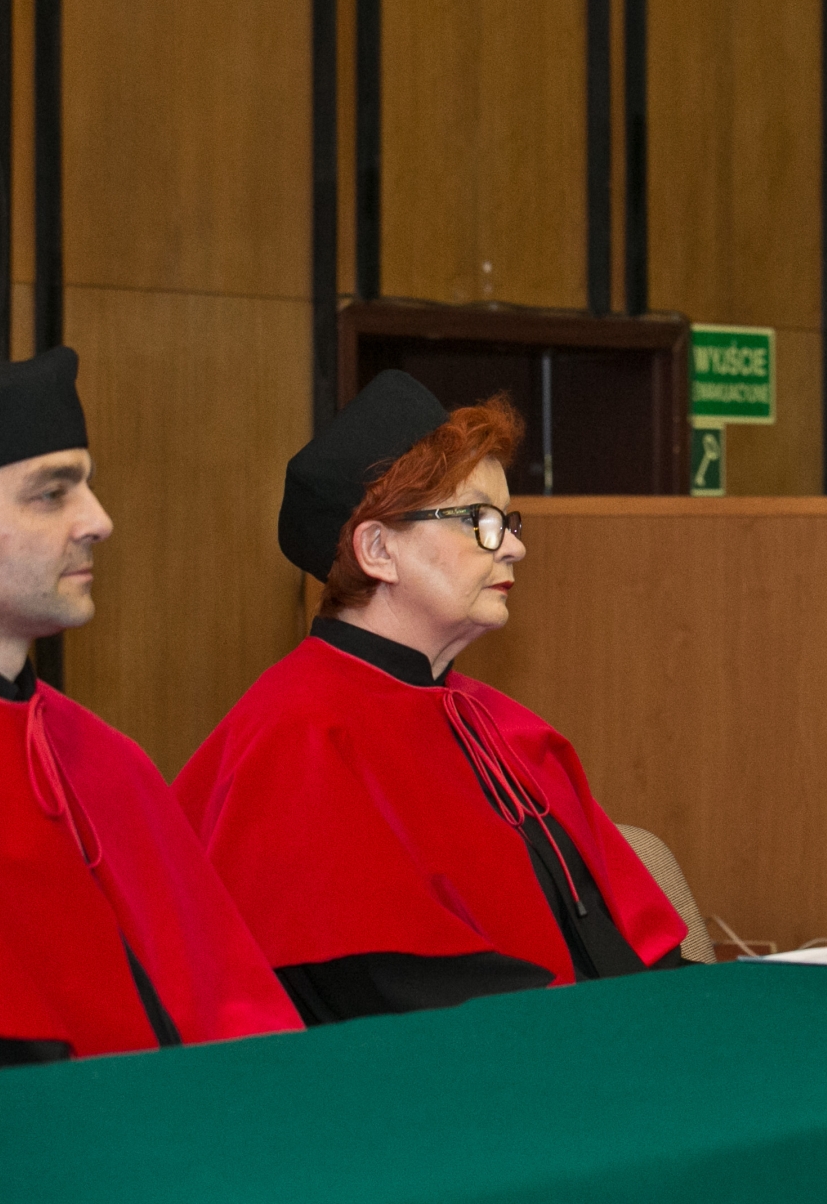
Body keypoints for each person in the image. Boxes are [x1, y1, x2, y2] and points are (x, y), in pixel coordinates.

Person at [176, 373, 687, 1024]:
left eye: (508, 520)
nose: (515, 546)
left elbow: (614, 940)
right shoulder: (296, 737)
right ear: (378, 549)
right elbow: (399, 990)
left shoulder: (503, 727)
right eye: (479, 521)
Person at [0, 347, 300, 1065]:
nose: (99, 521)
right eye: (52, 493)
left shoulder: (107, 764)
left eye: (89, 487)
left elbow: (234, 1019)